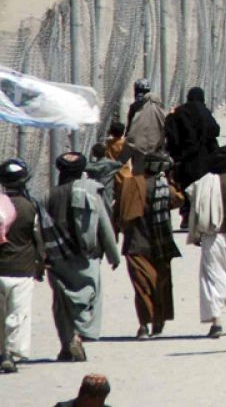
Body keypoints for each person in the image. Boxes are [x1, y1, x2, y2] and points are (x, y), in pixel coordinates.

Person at [46, 152, 120, 362]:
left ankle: (66, 343)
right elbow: (104, 224)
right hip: (87, 256)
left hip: (57, 257)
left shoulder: (48, 195)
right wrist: (113, 254)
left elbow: (39, 229)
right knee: (88, 296)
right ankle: (78, 335)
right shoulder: (91, 191)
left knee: (61, 301)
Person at [114, 150, 179, 339]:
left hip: (136, 242)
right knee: (161, 283)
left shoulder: (130, 185)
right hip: (161, 244)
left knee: (142, 286)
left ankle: (143, 324)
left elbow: (118, 211)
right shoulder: (166, 189)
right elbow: (178, 200)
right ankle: (158, 320)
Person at [184, 145, 226, 338]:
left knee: (212, 278)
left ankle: (216, 321)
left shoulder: (205, 182)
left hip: (213, 236)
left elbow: (191, 196)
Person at [0, 159, 44, 373]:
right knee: (18, 313)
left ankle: (2, 352)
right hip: (22, 269)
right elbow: (38, 238)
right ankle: (11, 353)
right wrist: (42, 262)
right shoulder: (29, 207)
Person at [166, 86, 220, 194]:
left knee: (186, 194)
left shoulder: (180, 112)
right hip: (205, 162)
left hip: (185, 161)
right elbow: (215, 130)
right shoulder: (205, 112)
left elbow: (172, 135)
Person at [123, 89, 167, 160]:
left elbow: (131, 133)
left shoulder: (138, 115)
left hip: (139, 153)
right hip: (157, 155)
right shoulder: (162, 115)